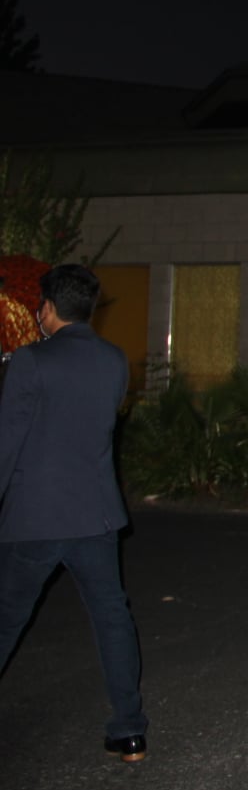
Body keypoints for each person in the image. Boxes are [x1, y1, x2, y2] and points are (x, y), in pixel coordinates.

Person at [0, 265, 146, 761]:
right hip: (96, 516)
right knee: (112, 618)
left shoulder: (29, 360)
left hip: (35, 518)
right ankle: (129, 731)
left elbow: (8, 444)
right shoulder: (114, 360)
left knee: (6, 618)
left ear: (48, 308)